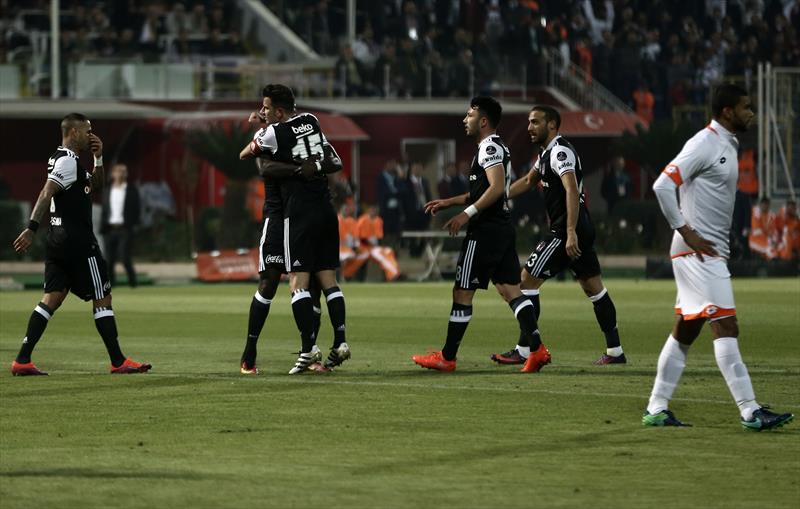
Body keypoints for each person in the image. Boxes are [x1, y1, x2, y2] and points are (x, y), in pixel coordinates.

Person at [644, 83, 793, 430]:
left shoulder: (727, 144)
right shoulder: (704, 143)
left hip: (706, 252)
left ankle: (656, 407)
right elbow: (662, 185)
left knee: (686, 330)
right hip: (698, 253)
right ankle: (750, 410)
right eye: (745, 107)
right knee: (727, 325)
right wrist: (686, 231)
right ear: (727, 111)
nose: (751, 113)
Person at [411, 96, 546, 373]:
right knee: (510, 291)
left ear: (483, 121)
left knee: (462, 291)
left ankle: (447, 357)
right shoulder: (493, 147)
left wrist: (466, 214)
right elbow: (484, 190)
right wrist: (449, 202)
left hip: (485, 230)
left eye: (470, 115)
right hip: (501, 228)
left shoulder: (489, 147)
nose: (465, 120)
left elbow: (496, 188)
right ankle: (537, 349)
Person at [10, 113, 151, 376]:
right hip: (78, 242)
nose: (91, 135)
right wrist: (31, 228)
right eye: (87, 130)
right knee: (102, 296)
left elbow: (95, 184)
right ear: (74, 133)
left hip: (57, 240)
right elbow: (46, 192)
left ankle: (22, 360)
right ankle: (118, 361)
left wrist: (99, 158)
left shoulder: (65, 160)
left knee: (51, 298)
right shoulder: (67, 161)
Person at [492, 105, 627, 368]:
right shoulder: (546, 154)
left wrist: (570, 232)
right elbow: (528, 181)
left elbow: (571, 190)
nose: (530, 127)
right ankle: (615, 350)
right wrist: (499, 194)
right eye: (529, 122)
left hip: (565, 229)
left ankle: (525, 350)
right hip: (577, 227)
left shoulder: (560, 152)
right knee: (594, 288)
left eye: (535, 122)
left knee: (525, 282)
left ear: (552, 124)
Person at [241, 84, 350, 375]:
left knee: (307, 284)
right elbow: (265, 167)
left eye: (265, 108)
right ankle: (249, 353)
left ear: (277, 111)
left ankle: (309, 352)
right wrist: (303, 166)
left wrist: (263, 129)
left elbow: (252, 154)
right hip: (277, 218)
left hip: (297, 214)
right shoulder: (300, 126)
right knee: (269, 282)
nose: (261, 111)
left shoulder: (279, 134)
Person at [101, 163, 140, 288]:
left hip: (125, 229)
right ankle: (111, 284)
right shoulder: (107, 190)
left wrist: (134, 225)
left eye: (123, 172)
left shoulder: (131, 190)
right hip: (110, 229)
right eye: (118, 171)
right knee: (109, 259)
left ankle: (133, 283)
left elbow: (136, 209)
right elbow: (105, 210)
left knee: (124, 257)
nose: (120, 174)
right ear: (113, 174)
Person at [356, 204, 400, 281]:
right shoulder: (362, 220)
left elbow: (379, 237)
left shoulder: (379, 220)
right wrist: (371, 244)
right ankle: (394, 274)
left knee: (389, 251)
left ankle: (392, 274)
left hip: (375, 248)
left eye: (375, 209)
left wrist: (378, 245)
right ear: (368, 210)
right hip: (364, 247)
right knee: (381, 255)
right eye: (372, 209)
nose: (373, 211)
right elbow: (360, 238)